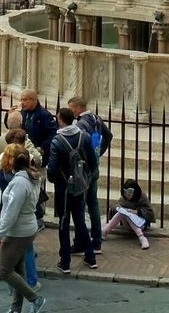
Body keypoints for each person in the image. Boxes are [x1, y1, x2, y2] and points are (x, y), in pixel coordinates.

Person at [0, 145, 46, 313]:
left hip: (17, 232)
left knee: (3, 271)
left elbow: (11, 212)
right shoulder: (31, 178)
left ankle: (35, 299)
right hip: (27, 228)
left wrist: (0, 234)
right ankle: (16, 307)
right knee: (18, 269)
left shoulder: (19, 183)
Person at [47, 106, 98, 273]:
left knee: (63, 221)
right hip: (80, 184)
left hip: (63, 186)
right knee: (80, 219)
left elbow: (53, 167)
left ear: (61, 120)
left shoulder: (57, 141)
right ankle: (90, 256)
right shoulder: (84, 136)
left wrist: (52, 178)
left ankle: (65, 260)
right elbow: (92, 160)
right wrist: (86, 177)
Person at [68, 95, 112, 251]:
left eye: (71, 109)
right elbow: (108, 135)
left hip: (84, 170)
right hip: (94, 168)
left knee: (80, 206)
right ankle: (96, 241)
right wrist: (98, 154)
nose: (71, 112)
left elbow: (79, 145)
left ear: (77, 108)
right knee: (93, 204)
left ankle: (81, 242)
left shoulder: (81, 124)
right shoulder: (95, 118)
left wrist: (84, 159)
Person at [101, 178, 155, 249]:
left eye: (130, 193)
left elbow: (150, 212)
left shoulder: (142, 197)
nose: (127, 195)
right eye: (125, 192)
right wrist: (119, 208)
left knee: (129, 214)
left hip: (140, 224)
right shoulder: (124, 198)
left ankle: (142, 237)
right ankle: (105, 232)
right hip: (127, 223)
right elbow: (118, 205)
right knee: (123, 213)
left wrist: (138, 211)